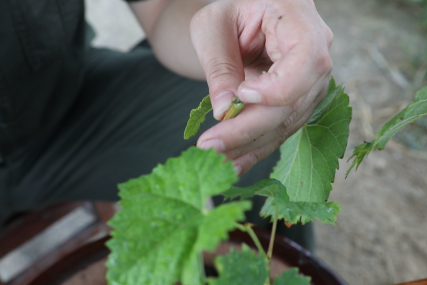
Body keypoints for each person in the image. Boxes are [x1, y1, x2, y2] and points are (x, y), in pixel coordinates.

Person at [0, 0, 333, 251]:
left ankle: (281, 261)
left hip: (59, 96)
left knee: (267, 117)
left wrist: (237, 23)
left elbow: (159, 9)